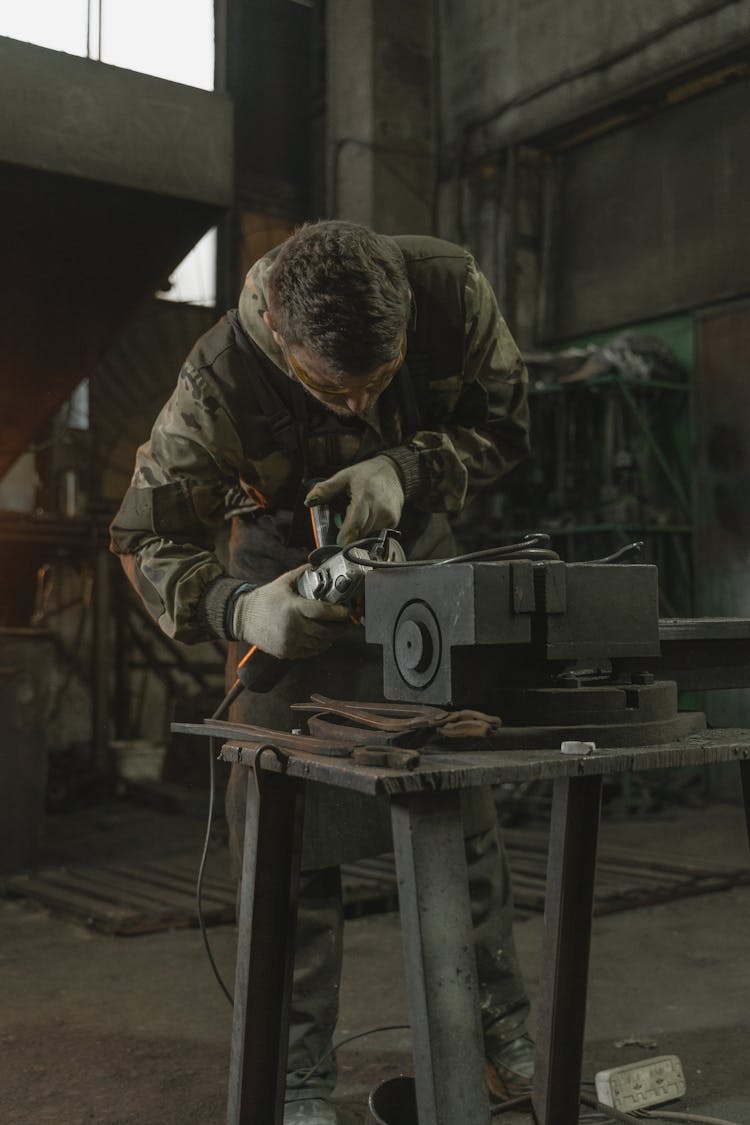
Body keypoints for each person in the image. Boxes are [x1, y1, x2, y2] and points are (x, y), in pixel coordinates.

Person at [110, 220, 534, 1124]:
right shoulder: (219, 378)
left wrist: (407, 465)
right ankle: (297, 1074)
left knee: (460, 806)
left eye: (376, 385)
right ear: (276, 325)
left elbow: (506, 424)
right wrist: (240, 608)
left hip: (421, 560)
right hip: (280, 573)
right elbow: (142, 534)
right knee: (285, 834)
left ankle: (499, 1040)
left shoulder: (451, 291)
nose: (353, 408)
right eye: (329, 389)